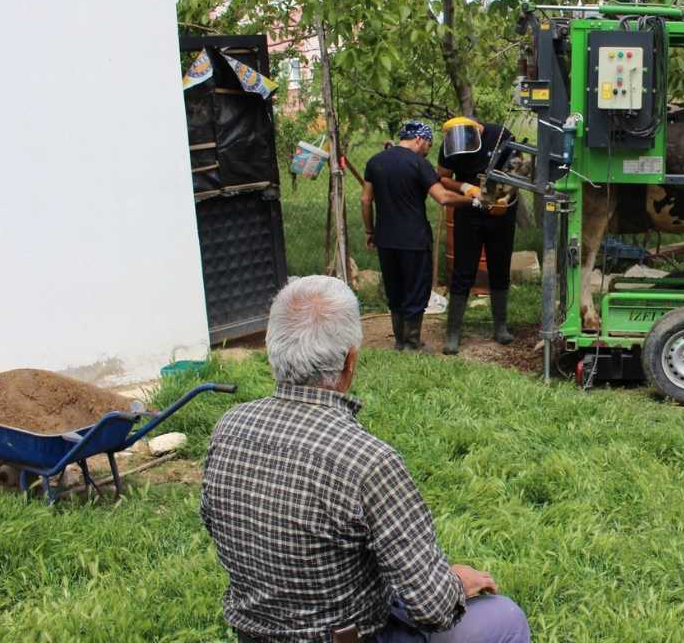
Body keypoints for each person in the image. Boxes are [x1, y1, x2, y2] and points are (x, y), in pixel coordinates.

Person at [201, 275, 531, 643]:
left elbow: (213, 523)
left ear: (271, 349)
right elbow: (434, 609)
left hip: (254, 634)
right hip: (350, 636)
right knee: (505, 617)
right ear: (350, 361)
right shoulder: (369, 462)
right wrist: (455, 583)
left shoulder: (228, 427)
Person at [361, 121, 478, 351]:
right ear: (419, 139)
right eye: (428, 144)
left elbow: (366, 200)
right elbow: (443, 197)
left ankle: (399, 340)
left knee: (395, 289)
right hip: (414, 239)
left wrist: (370, 231)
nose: (427, 150)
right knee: (416, 290)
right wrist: (472, 200)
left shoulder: (375, 161)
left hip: (385, 239)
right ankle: (412, 343)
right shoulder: (419, 164)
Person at [436, 117, 519, 355]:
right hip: (469, 210)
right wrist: (465, 188)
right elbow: (442, 177)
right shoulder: (450, 142)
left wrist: (505, 196)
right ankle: (453, 333)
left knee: (499, 266)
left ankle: (500, 327)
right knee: (463, 269)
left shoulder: (501, 135)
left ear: (478, 131)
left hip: (501, 212)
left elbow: (519, 170)